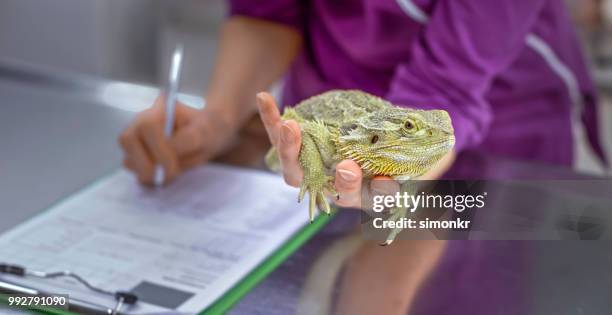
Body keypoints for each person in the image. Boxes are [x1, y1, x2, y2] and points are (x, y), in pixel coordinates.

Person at [119, 1, 606, 314]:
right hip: (337, 126)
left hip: (494, 146)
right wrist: (218, 120)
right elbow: (269, 10)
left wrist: (383, 170)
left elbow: (444, 91)